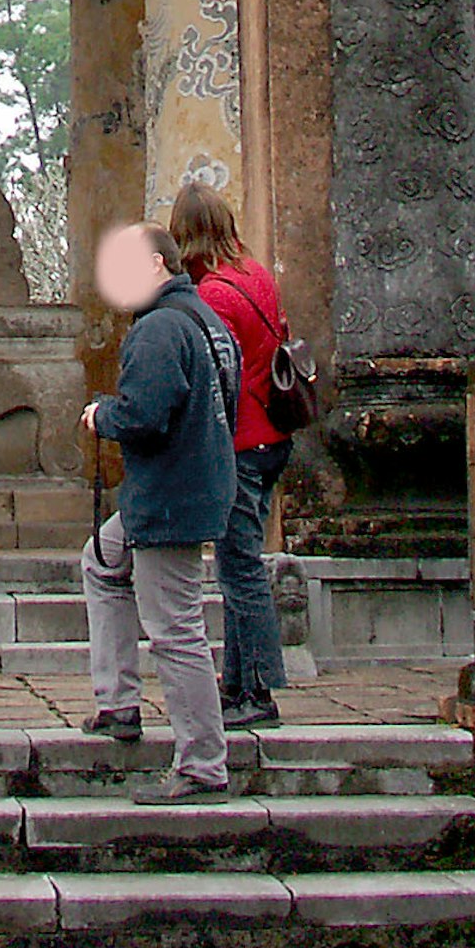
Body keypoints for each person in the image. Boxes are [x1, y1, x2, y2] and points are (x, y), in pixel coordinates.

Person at [77, 218, 241, 801]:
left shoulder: (159, 329)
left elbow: (145, 415)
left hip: (170, 499)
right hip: (194, 486)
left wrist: (103, 416)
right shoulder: (207, 321)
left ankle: (202, 764)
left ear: (156, 266)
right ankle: (118, 702)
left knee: (176, 630)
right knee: (100, 565)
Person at [169, 180, 292, 731]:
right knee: (240, 562)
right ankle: (237, 683)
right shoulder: (256, 275)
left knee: (240, 570)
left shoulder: (215, 294)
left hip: (241, 443)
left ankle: (260, 688)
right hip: (273, 438)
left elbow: (215, 376)